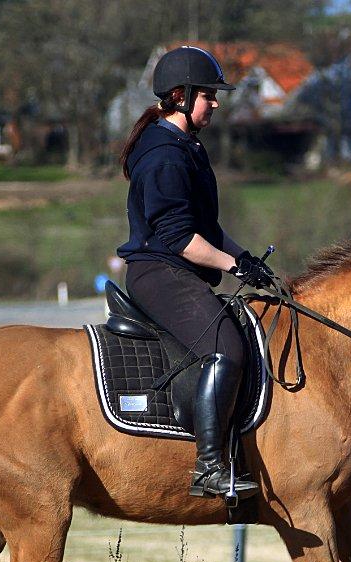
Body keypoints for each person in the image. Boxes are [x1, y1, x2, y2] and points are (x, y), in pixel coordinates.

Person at [117, 45, 271, 500]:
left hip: (178, 269)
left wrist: (248, 260)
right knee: (226, 349)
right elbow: (180, 239)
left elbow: (207, 228)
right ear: (181, 96)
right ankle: (208, 468)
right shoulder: (164, 156)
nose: (216, 103)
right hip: (158, 273)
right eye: (209, 95)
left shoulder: (187, 146)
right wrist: (232, 264)